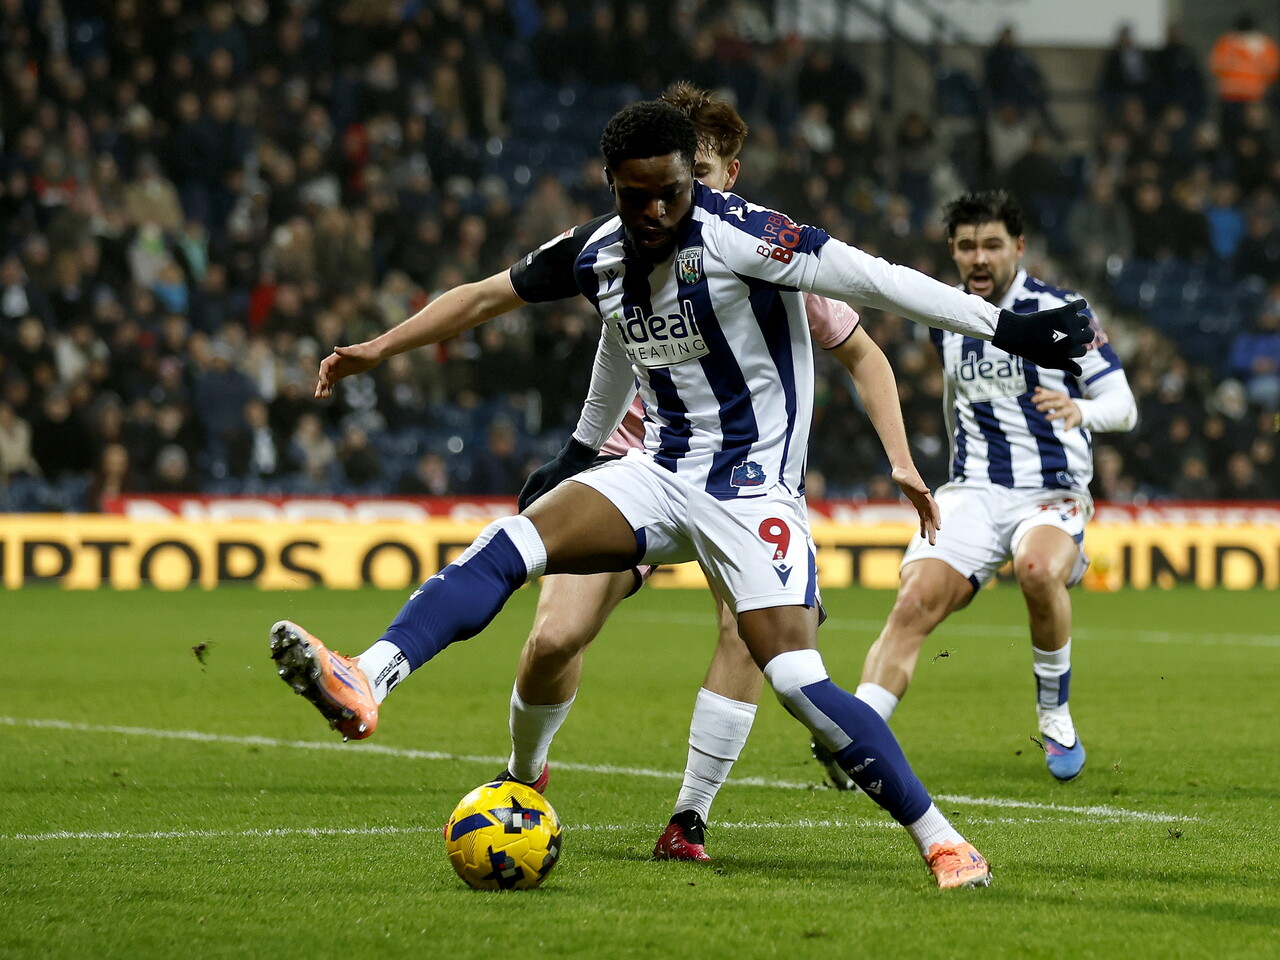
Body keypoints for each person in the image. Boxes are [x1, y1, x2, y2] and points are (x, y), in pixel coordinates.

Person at [270, 101, 1091, 889]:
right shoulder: (597, 253)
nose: (658, 208)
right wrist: (380, 350)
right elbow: (488, 297)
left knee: (799, 681)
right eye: (639, 195)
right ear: (612, 186)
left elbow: (873, 280)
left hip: (751, 493)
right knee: (512, 541)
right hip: (659, 470)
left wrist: (1003, 326)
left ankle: (944, 843)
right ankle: (367, 677)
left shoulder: (744, 235)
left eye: (674, 189)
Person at [501, 83, 941, 863]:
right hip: (635, 464)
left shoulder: (769, 255)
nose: (682, 194)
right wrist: (580, 447)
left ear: (728, 172)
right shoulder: (632, 243)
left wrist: (901, 458)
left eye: (700, 172)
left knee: (751, 632)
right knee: (554, 639)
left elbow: (864, 353)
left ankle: (689, 820)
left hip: (736, 477)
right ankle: (523, 778)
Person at [855, 190, 1137, 783]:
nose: (978, 258)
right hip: (974, 492)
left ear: (1019, 247)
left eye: (991, 245)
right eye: (966, 246)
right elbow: (953, 398)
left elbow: (1124, 405)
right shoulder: (949, 318)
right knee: (911, 604)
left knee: (1036, 570)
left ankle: (1054, 715)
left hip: (1049, 489)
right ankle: (860, 738)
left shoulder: (1062, 312)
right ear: (953, 251)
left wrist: (1081, 412)